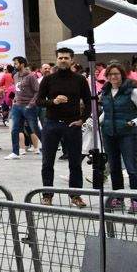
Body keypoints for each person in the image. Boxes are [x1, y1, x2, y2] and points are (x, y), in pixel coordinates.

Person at [36, 47, 91, 207]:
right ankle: (47, 195)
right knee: (47, 162)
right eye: (60, 58)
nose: (63, 60)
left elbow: (89, 102)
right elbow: (39, 101)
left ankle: (75, 196)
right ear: (57, 59)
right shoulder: (48, 79)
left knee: (75, 163)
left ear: (72, 60)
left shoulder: (80, 79)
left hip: (72, 124)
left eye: (66, 58)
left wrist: (82, 119)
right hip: (51, 124)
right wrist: (53, 101)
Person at [97, 63, 137, 214]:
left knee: (131, 167)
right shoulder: (106, 92)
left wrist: (133, 123)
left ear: (122, 75)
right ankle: (118, 198)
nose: (113, 77)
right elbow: (107, 111)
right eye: (110, 74)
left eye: (116, 74)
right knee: (114, 167)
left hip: (128, 134)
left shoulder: (133, 92)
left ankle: (135, 201)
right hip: (109, 133)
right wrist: (97, 121)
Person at [8, 56, 40, 159]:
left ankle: (47, 149)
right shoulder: (15, 76)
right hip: (17, 106)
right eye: (14, 63)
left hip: (28, 106)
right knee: (15, 129)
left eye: (16, 63)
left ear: (22, 64)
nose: (14, 65)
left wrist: (31, 104)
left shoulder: (31, 76)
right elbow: (17, 90)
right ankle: (15, 152)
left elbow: (37, 91)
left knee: (34, 128)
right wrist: (15, 100)